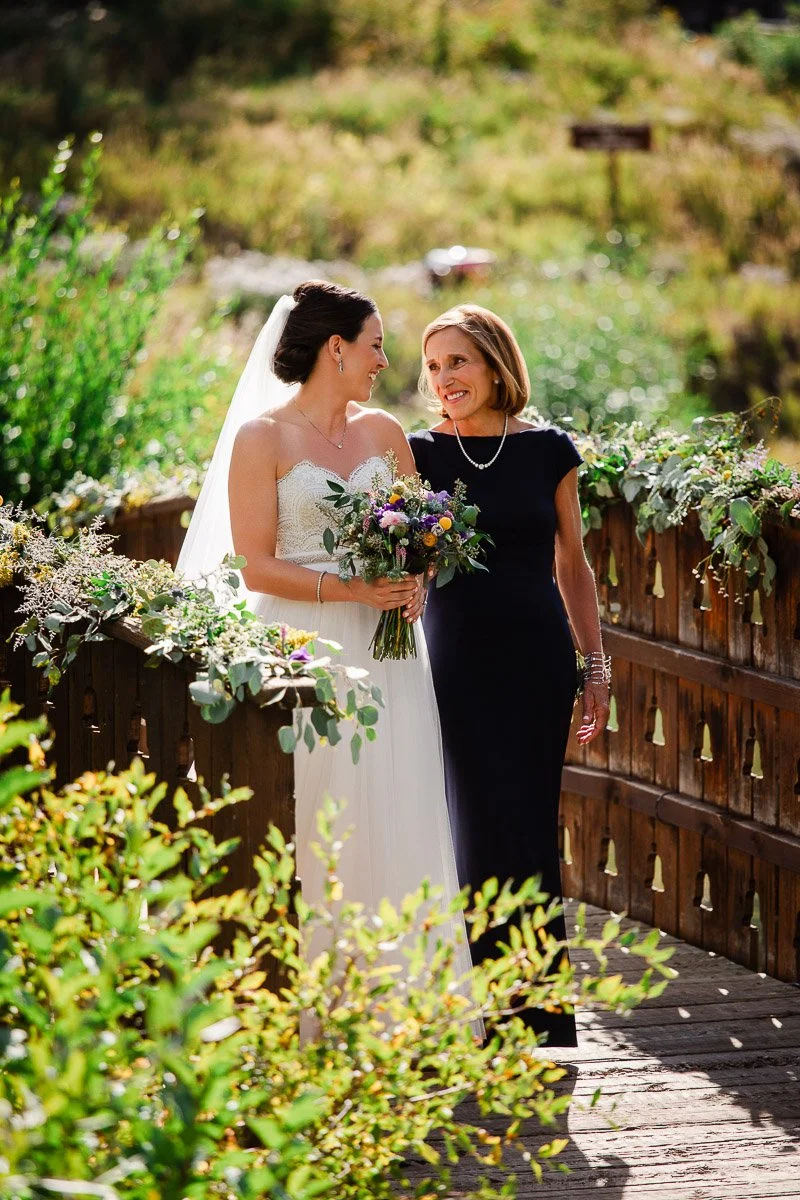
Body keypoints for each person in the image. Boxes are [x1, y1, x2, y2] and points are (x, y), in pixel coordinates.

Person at [177, 281, 474, 988]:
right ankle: (302, 992)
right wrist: (352, 588)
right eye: (374, 345)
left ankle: (394, 994)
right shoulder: (264, 437)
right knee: (310, 810)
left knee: (395, 806)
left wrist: (414, 581)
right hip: (300, 648)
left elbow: (419, 535)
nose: (383, 360)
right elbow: (252, 565)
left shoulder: (385, 434)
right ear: (335, 348)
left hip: (389, 649)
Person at [409, 304, 610, 1047]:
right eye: (433, 366)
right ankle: (482, 1011)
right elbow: (405, 561)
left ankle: (540, 1015)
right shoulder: (416, 452)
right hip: (454, 660)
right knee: (471, 824)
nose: (443, 378)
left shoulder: (551, 449)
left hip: (536, 660)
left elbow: (573, 566)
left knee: (529, 828)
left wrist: (596, 666)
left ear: (495, 363)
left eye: (456, 361)